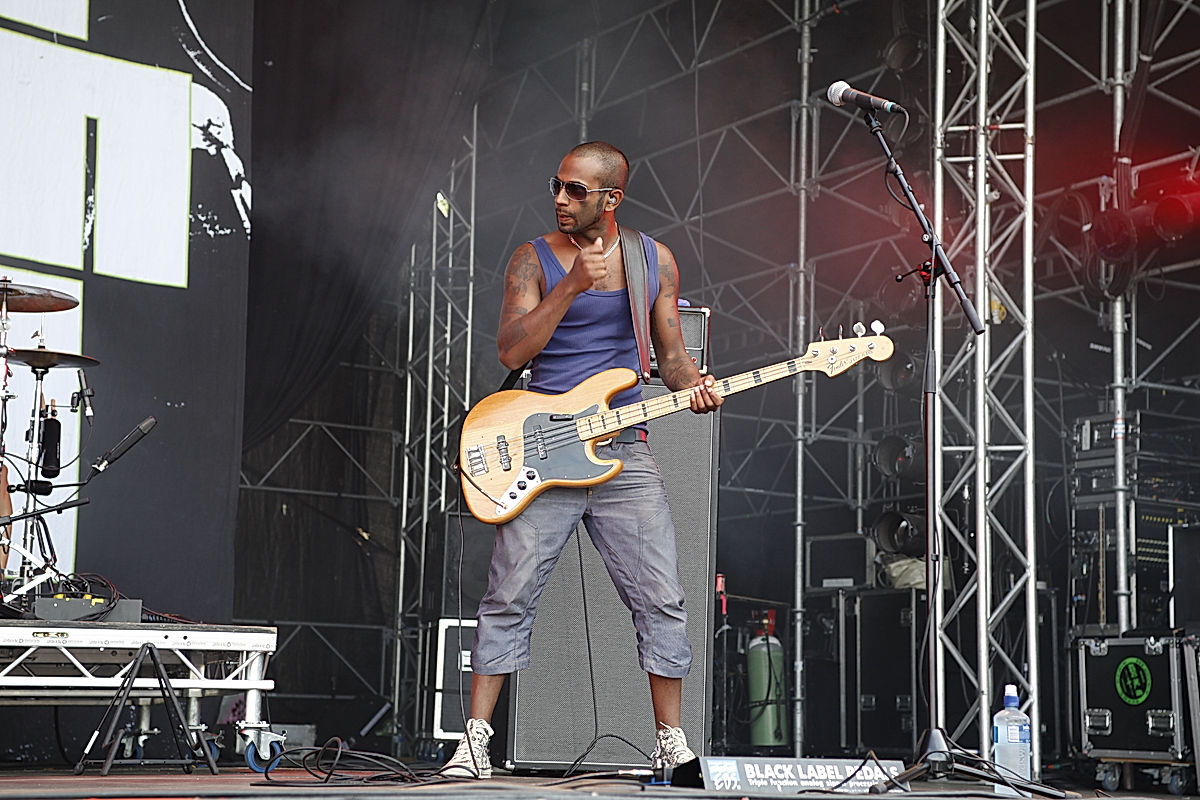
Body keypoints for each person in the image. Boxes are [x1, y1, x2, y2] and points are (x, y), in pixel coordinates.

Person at [441, 141, 722, 779]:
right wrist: (570, 285)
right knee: (508, 594)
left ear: (611, 198)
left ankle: (671, 742)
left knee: (662, 596)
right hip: (544, 449)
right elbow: (513, 352)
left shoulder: (655, 260)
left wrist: (694, 385)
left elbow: (671, 355)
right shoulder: (532, 258)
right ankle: (476, 742)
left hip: (624, 451)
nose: (562, 200)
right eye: (558, 187)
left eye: (576, 191)